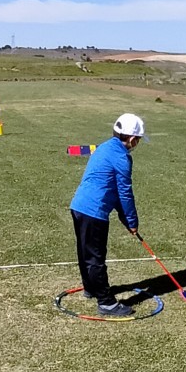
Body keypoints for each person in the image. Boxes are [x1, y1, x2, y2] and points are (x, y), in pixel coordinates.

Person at [69, 113, 146, 316]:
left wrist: (126, 219)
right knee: (96, 257)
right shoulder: (122, 157)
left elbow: (117, 193)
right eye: (138, 139)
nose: (137, 143)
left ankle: (90, 287)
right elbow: (125, 193)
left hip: (78, 206)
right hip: (93, 211)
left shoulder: (104, 147)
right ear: (131, 139)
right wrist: (131, 221)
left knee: (85, 252)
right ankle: (106, 302)